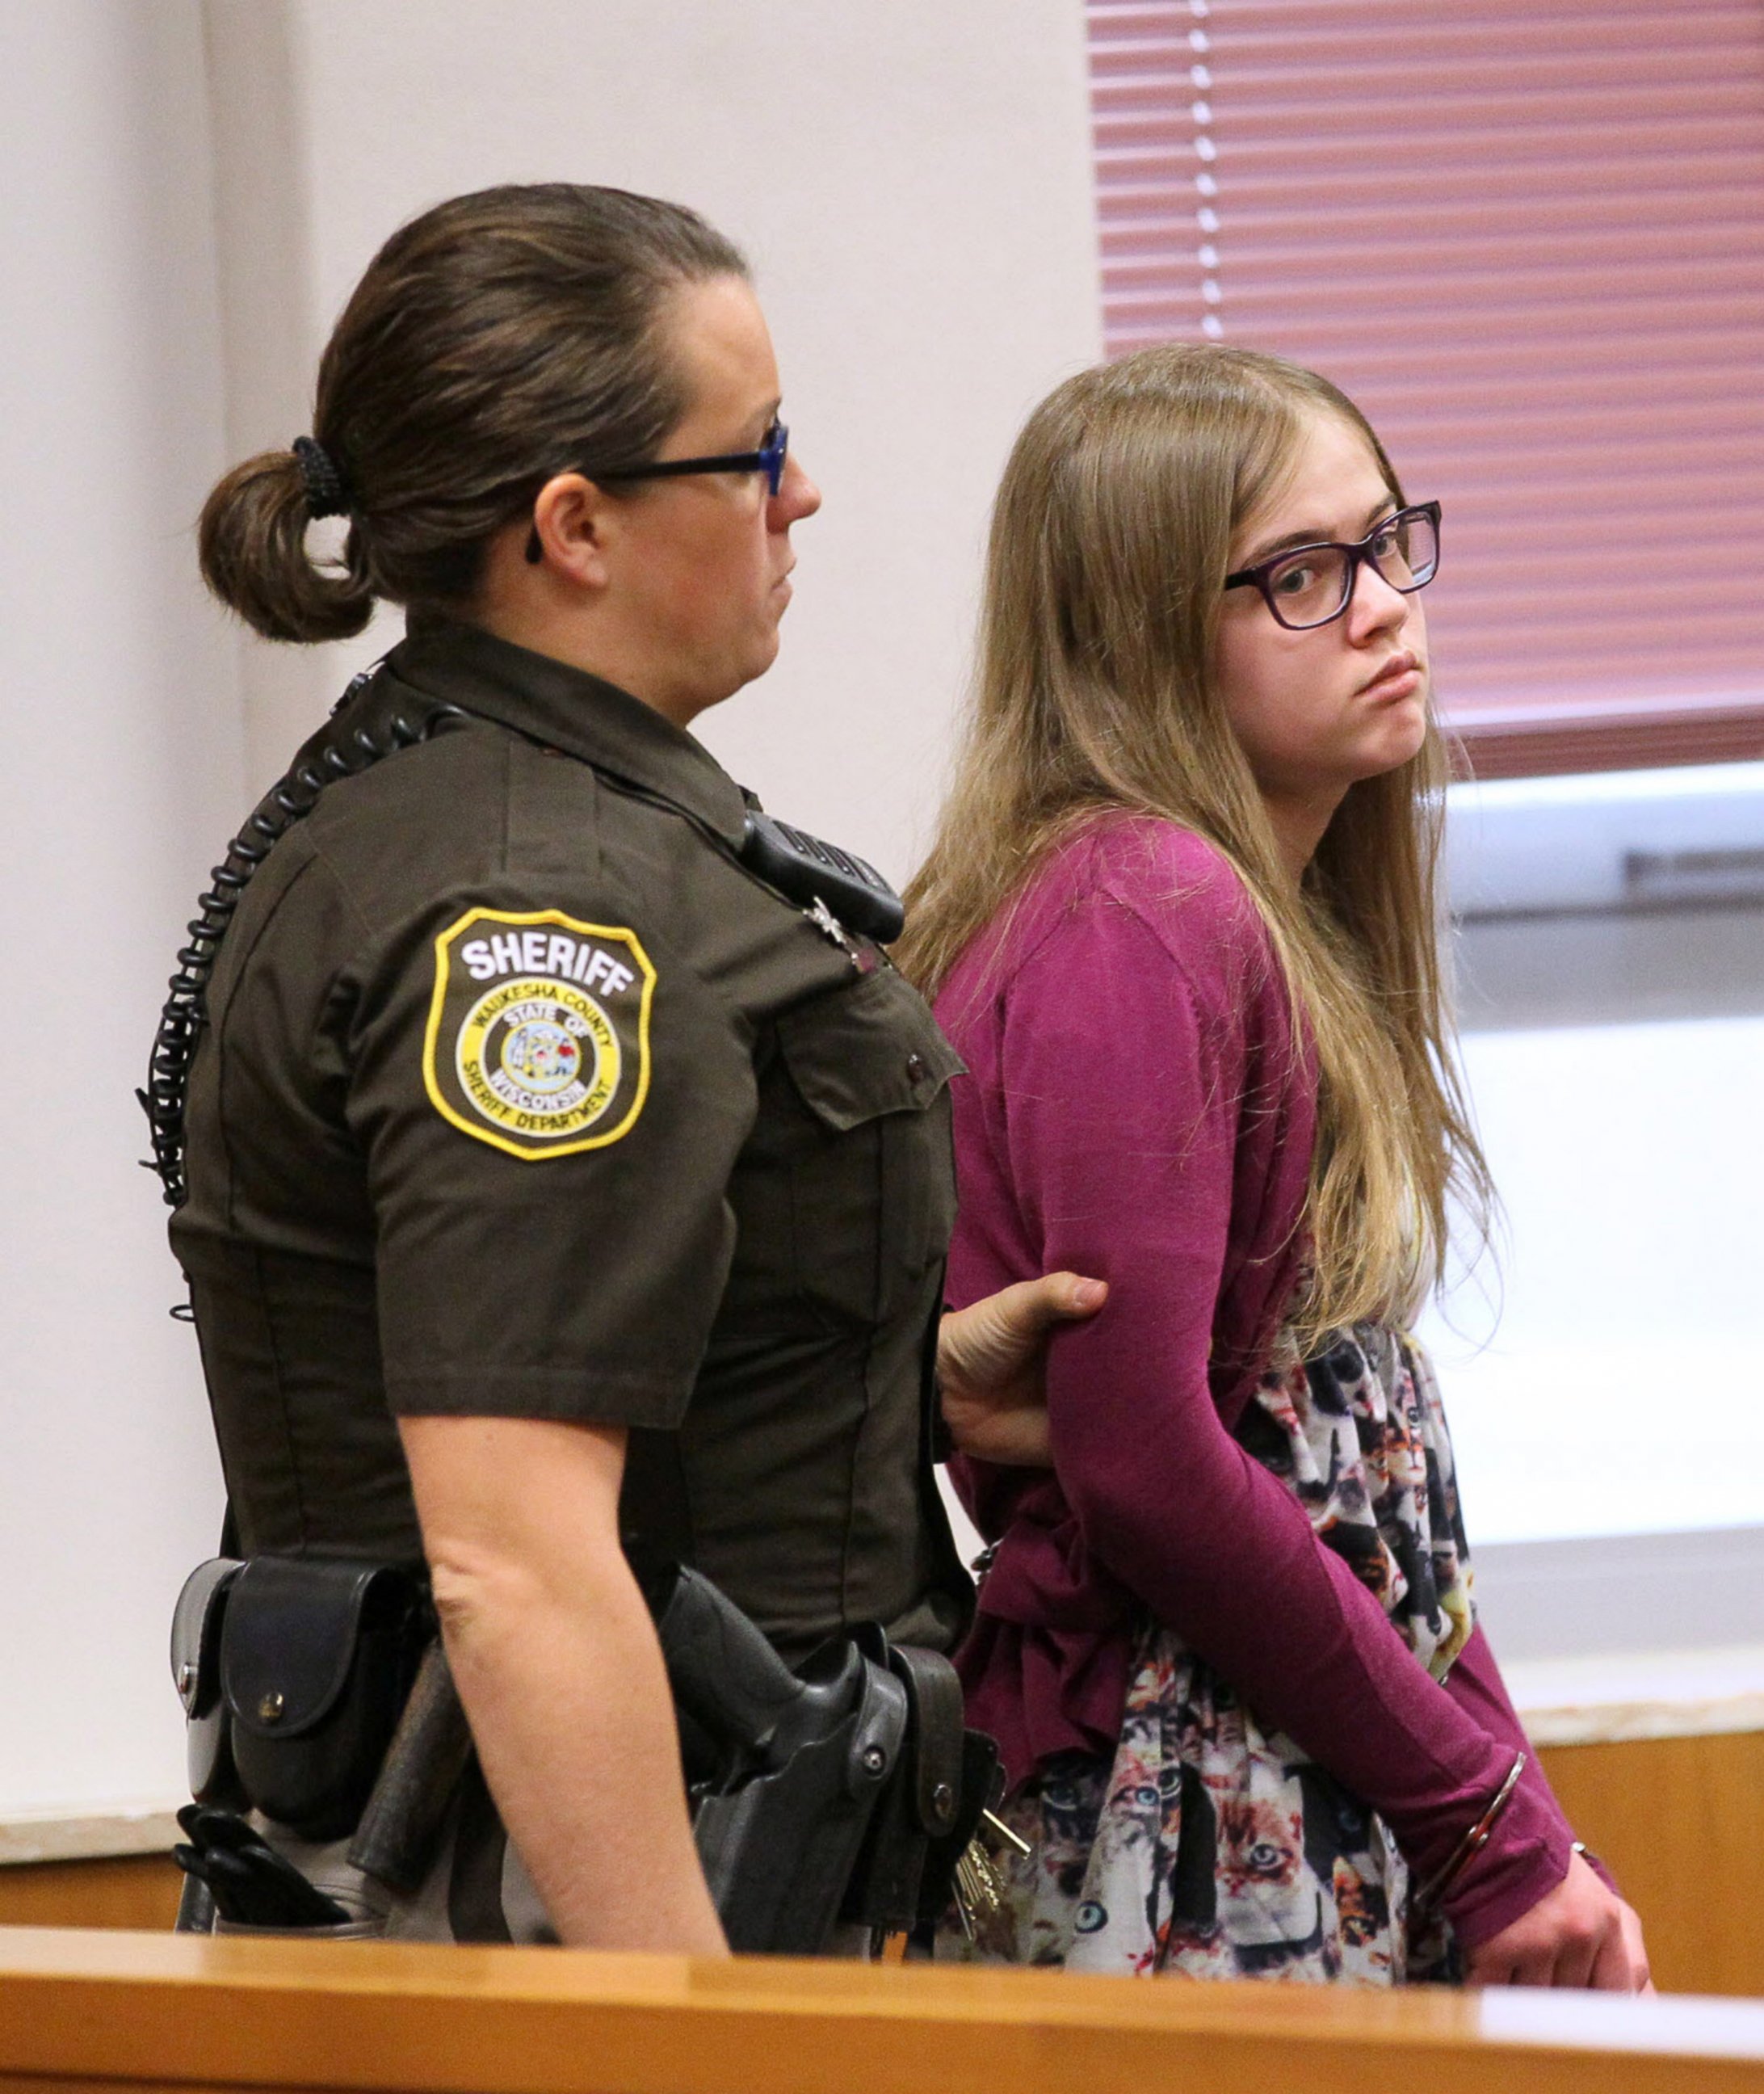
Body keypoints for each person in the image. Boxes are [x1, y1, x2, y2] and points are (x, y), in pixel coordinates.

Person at [164, 182, 1099, 1952]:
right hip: (639, 1899)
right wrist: (688, 2052)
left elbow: (493, 1353)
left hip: (663, 1854)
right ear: (576, 527)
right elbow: (512, 1562)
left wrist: (883, 1366)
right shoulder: (546, 907)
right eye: (757, 452)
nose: (800, 493)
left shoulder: (442, 790)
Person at [897, 345, 1651, 1988]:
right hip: (1180, 1803)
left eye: (1388, 546)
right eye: (1298, 577)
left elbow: (1364, 1497)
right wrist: (1486, 1823)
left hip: (1307, 1764)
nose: (1384, 606)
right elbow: (1150, 1465)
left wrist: (1526, 1825)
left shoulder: (1234, 907)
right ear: (1144, 628)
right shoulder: (1140, 909)